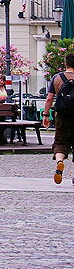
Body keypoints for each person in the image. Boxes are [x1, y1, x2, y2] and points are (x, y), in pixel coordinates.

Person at [44, 52, 74, 184]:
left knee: (60, 143)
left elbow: (49, 98)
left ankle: (60, 162)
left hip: (62, 116)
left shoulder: (57, 77)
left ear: (65, 63)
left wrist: (46, 115)